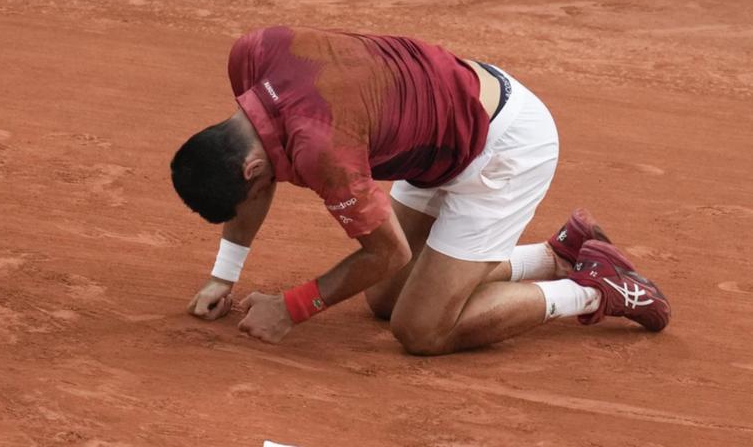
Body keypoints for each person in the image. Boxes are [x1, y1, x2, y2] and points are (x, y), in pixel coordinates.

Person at [170, 26, 671, 355]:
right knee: (385, 301)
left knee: (422, 330)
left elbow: (386, 252)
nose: (261, 195)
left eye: (256, 190)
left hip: (505, 149)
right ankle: (557, 255)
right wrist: (223, 277)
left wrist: (295, 306)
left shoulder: (322, 150)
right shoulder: (251, 55)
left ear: (253, 169)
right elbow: (253, 177)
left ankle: (593, 289)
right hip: (440, 122)